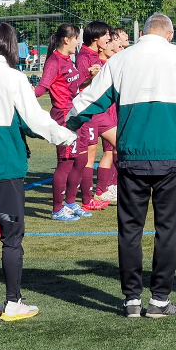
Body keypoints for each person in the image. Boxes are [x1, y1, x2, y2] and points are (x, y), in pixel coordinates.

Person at [69, 13, 176, 318]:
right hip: (172, 158)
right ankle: (160, 300)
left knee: (129, 230)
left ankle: (131, 300)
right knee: (167, 229)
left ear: (143, 34)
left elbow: (86, 102)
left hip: (132, 158)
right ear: (169, 34)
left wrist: (63, 129)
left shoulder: (120, 61)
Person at [0, 21, 78, 321]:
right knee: (11, 238)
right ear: (10, 46)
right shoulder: (14, 77)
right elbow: (35, 119)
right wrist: (65, 135)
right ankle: (13, 301)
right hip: (4, 168)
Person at [34, 22, 85, 220]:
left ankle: (70, 203)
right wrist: (24, 91)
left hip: (74, 114)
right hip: (63, 115)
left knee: (79, 159)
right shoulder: (54, 61)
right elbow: (42, 88)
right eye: (76, 38)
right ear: (66, 39)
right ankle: (57, 209)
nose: (78, 42)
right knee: (65, 162)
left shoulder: (68, 60)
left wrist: (89, 76)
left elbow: (74, 85)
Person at [71, 21, 112, 215]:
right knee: (89, 154)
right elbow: (78, 86)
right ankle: (88, 198)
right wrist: (92, 77)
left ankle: (107, 187)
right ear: (96, 37)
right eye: (106, 35)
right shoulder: (84, 57)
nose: (109, 38)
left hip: (100, 110)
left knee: (121, 142)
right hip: (88, 110)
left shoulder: (96, 55)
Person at [90, 27, 127, 206]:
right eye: (113, 41)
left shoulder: (111, 62)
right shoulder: (100, 64)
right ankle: (101, 189)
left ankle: (110, 186)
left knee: (115, 149)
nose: (115, 46)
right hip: (104, 112)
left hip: (112, 110)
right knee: (108, 151)